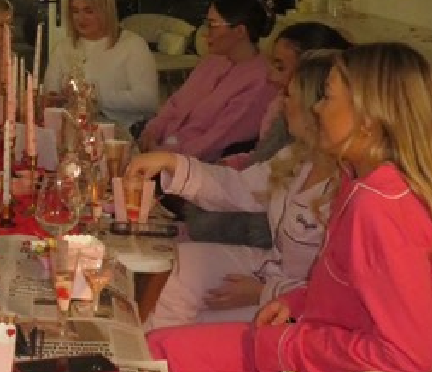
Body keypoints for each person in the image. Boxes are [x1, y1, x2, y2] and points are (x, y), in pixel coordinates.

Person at [146, 42, 432, 372]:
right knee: (156, 353)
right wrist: (296, 302)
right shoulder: (357, 179)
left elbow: (411, 353)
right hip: (302, 350)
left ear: (367, 118)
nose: (317, 107)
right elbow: (346, 287)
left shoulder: (380, 205)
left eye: (328, 98)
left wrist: (292, 345)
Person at [129, 50, 337, 330]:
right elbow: (237, 188)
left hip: (296, 305)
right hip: (270, 271)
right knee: (178, 265)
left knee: (193, 323)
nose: (281, 102)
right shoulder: (297, 158)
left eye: (289, 95)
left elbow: (341, 293)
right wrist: (170, 162)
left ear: (315, 107)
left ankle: (165, 351)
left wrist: (265, 291)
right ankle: (149, 351)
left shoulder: (347, 188)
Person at [183, 22, 350, 249]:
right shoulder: (295, 151)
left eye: (281, 67)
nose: (271, 76)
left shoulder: (350, 183)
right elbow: (252, 179)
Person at [137, 0, 280, 162]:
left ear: (240, 31)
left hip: (194, 169)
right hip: (161, 151)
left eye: (212, 25)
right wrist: (151, 133)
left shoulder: (261, 81)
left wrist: (165, 158)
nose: (205, 33)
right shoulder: (213, 60)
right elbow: (175, 103)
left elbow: (216, 142)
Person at [43, 0, 158, 128]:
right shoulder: (64, 48)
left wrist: (96, 97)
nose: (80, 18)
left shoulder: (132, 45)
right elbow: (50, 93)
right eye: (75, 11)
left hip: (121, 131)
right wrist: (56, 99)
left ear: (106, 11)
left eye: (88, 11)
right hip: (72, 129)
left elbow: (148, 100)